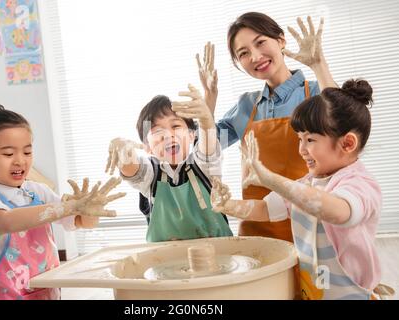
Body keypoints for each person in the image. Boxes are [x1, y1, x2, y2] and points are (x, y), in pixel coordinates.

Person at [210, 79, 382, 299]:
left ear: (347, 144)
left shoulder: (360, 184)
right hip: (315, 289)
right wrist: (228, 205)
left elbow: (339, 212)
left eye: (310, 139)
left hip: (353, 293)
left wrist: (272, 180)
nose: (301, 149)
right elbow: (265, 209)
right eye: (299, 139)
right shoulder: (308, 183)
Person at [0, 101, 125, 300]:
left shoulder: (37, 191)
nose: (20, 160)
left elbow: (78, 222)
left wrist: (90, 210)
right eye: (8, 153)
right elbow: (5, 222)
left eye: (27, 152)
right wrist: (65, 207)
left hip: (48, 294)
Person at [197, 12, 336, 242]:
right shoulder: (246, 106)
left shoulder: (316, 93)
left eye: (260, 42)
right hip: (258, 232)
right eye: (243, 53)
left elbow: (343, 123)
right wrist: (208, 100)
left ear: (281, 40)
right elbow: (205, 151)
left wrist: (319, 64)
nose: (255, 56)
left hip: (311, 228)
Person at [105, 85, 233, 242]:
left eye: (176, 126)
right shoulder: (151, 173)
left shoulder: (204, 165)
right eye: (157, 131)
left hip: (219, 255)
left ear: (192, 135)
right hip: (166, 261)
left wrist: (206, 120)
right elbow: (133, 169)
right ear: (147, 146)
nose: (168, 135)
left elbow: (208, 146)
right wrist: (123, 151)